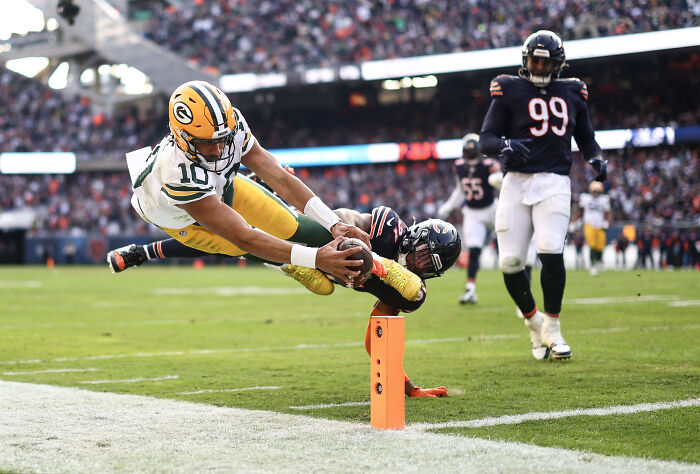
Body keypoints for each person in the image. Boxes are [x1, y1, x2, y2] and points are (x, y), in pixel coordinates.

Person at [108, 203, 462, 397]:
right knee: (235, 236)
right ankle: (144, 251)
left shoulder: (404, 291)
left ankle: (279, 261)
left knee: (240, 246)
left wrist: (407, 388)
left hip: (319, 272)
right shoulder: (387, 228)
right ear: (413, 237)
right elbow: (349, 217)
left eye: (428, 265)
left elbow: (377, 342)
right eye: (420, 255)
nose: (418, 264)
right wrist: (348, 240)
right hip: (322, 239)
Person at [115, 80, 370, 291]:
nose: (217, 150)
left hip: (216, 185)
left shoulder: (232, 123)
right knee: (237, 245)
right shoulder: (175, 173)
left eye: (222, 139)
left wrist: (333, 223)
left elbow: (280, 177)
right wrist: (315, 259)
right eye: (206, 143)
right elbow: (244, 236)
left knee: (297, 227)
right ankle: (286, 264)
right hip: (177, 215)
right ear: (181, 137)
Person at [479, 30, 607, 360]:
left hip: (554, 181)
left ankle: (553, 326)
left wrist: (595, 157)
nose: (538, 66)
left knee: (551, 249)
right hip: (516, 182)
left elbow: (587, 137)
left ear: (558, 64)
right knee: (509, 262)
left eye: (545, 61)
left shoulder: (573, 92)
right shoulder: (508, 88)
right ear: (525, 60)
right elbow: (486, 139)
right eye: (534, 60)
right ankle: (533, 322)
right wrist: (506, 145)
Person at [438, 133, 503, 305]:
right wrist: (449, 205)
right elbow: (460, 191)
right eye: (468, 152)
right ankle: (470, 289)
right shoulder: (460, 166)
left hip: (492, 209)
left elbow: (502, 179)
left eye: (473, 152)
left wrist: (500, 180)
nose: (471, 155)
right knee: (474, 251)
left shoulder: (489, 164)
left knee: (510, 242)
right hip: (472, 213)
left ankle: (524, 277)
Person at [576, 181, 611, 276]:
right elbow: (580, 210)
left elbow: (608, 212)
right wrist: (574, 221)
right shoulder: (585, 198)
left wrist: (606, 221)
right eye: (594, 191)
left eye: (597, 191)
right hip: (589, 224)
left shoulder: (604, 199)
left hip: (600, 225)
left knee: (600, 246)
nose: (596, 193)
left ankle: (598, 261)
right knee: (592, 245)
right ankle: (593, 266)